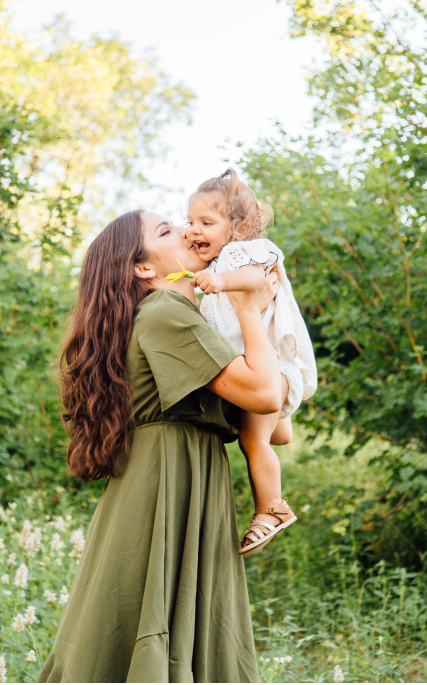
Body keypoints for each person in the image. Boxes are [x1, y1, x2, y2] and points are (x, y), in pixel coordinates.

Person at [37, 209, 278, 682]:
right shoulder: (166, 313)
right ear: (143, 268)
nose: (188, 230)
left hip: (177, 481)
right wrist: (250, 308)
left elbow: (275, 423)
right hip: (165, 488)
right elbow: (266, 394)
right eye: (166, 231)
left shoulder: (180, 317)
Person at [185, 169, 317, 559]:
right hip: (258, 367)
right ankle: (281, 419)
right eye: (190, 221)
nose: (194, 230)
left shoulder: (242, 253)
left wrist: (220, 281)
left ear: (239, 228)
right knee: (273, 436)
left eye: (207, 222)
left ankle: (272, 508)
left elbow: (253, 277)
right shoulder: (215, 263)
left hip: (270, 367)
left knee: (253, 440)